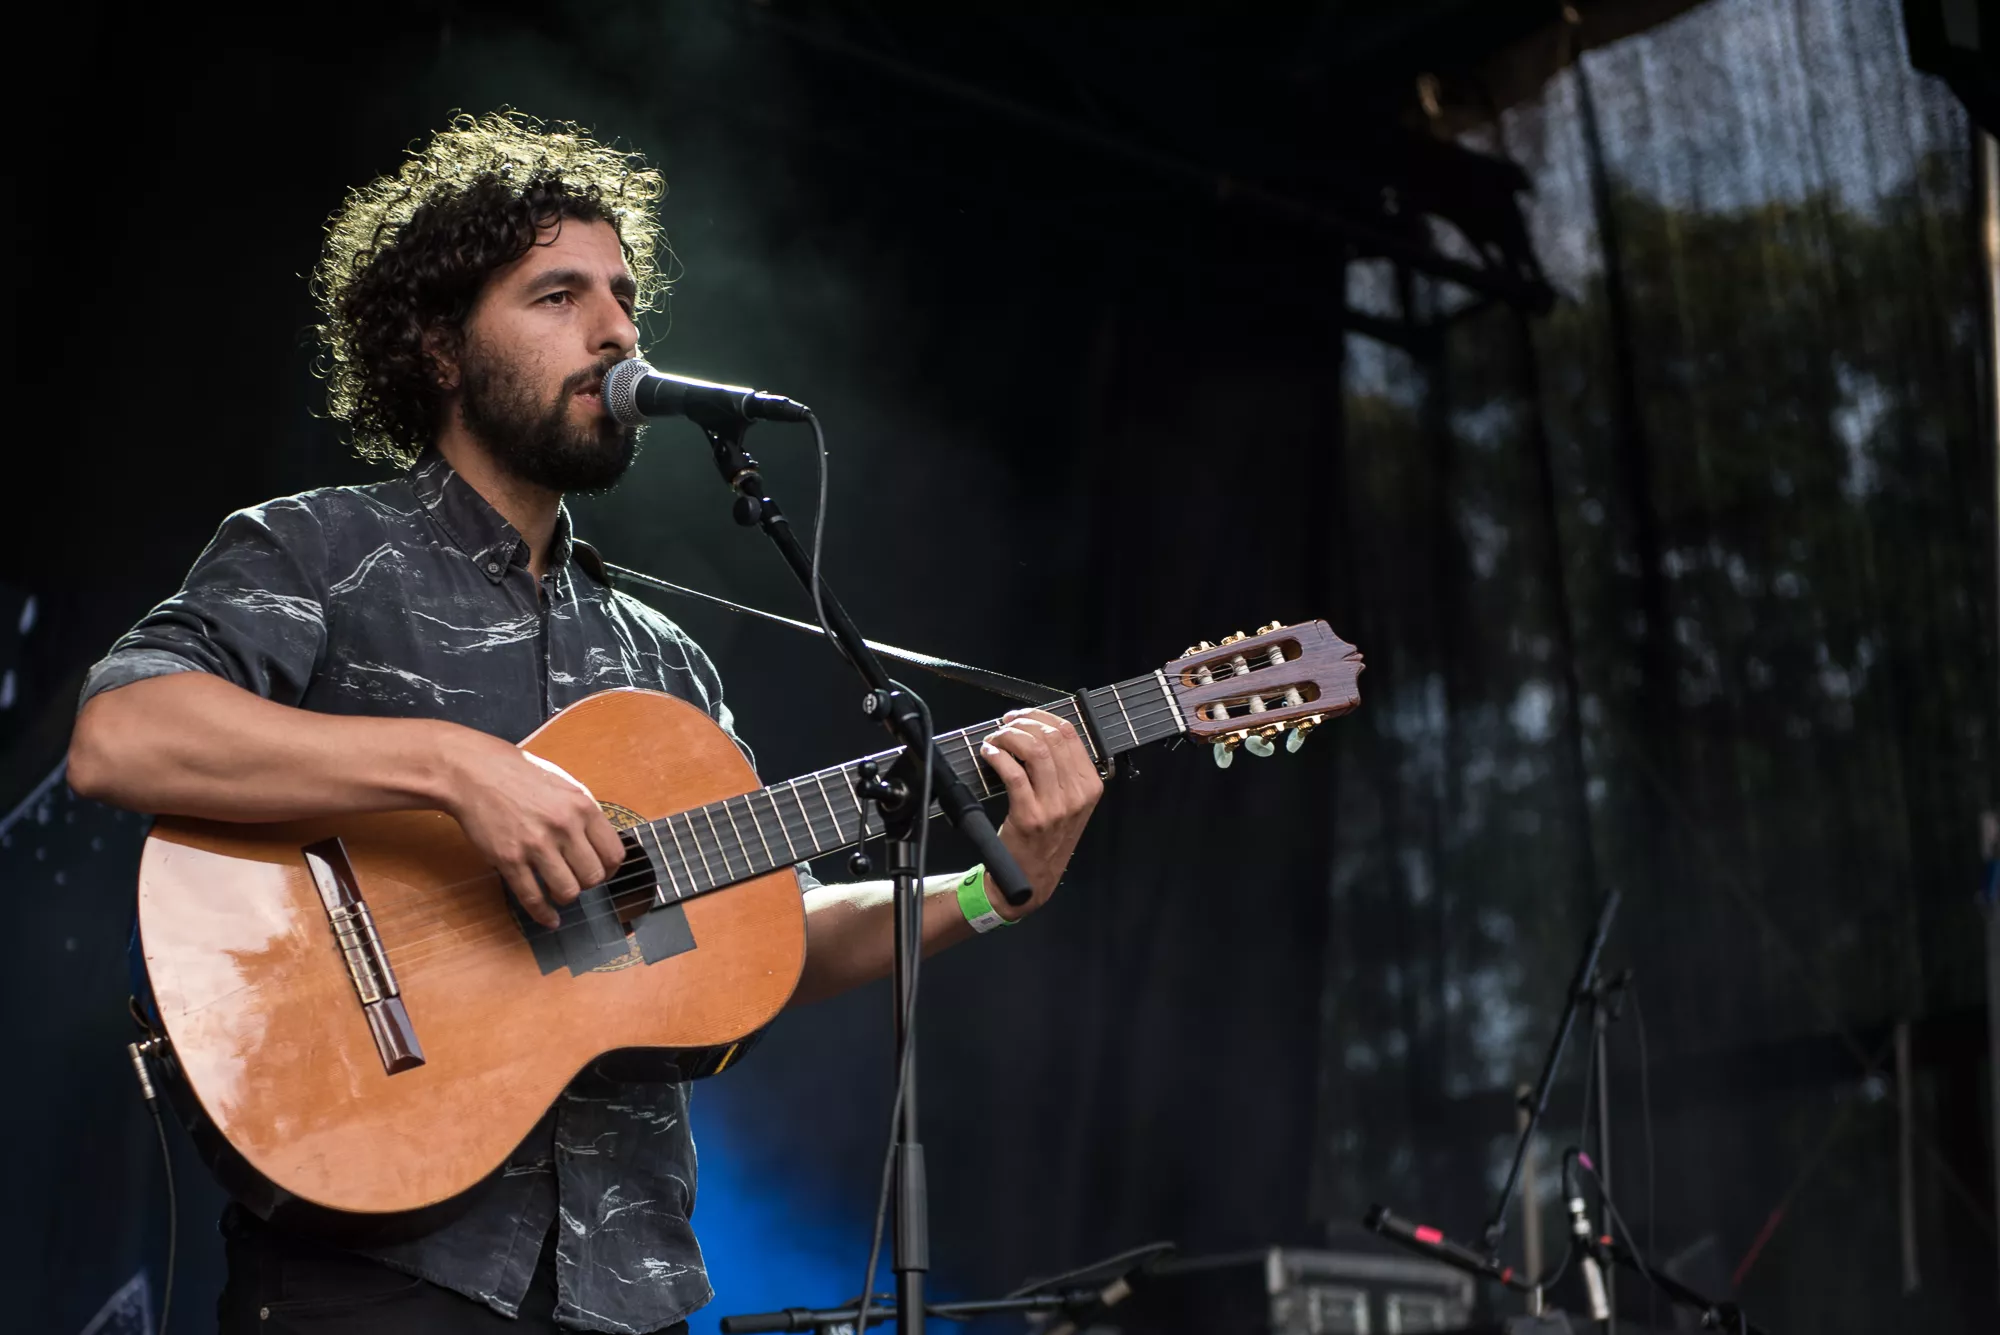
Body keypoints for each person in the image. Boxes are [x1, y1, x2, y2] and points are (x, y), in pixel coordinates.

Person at [66, 111, 1103, 1335]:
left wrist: (990, 892)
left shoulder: (665, 664)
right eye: (557, 295)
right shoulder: (319, 549)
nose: (613, 331)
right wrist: (454, 768)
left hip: (629, 1285)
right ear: (438, 347)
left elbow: (764, 933)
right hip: (375, 1268)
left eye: (622, 299)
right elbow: (123, 737)